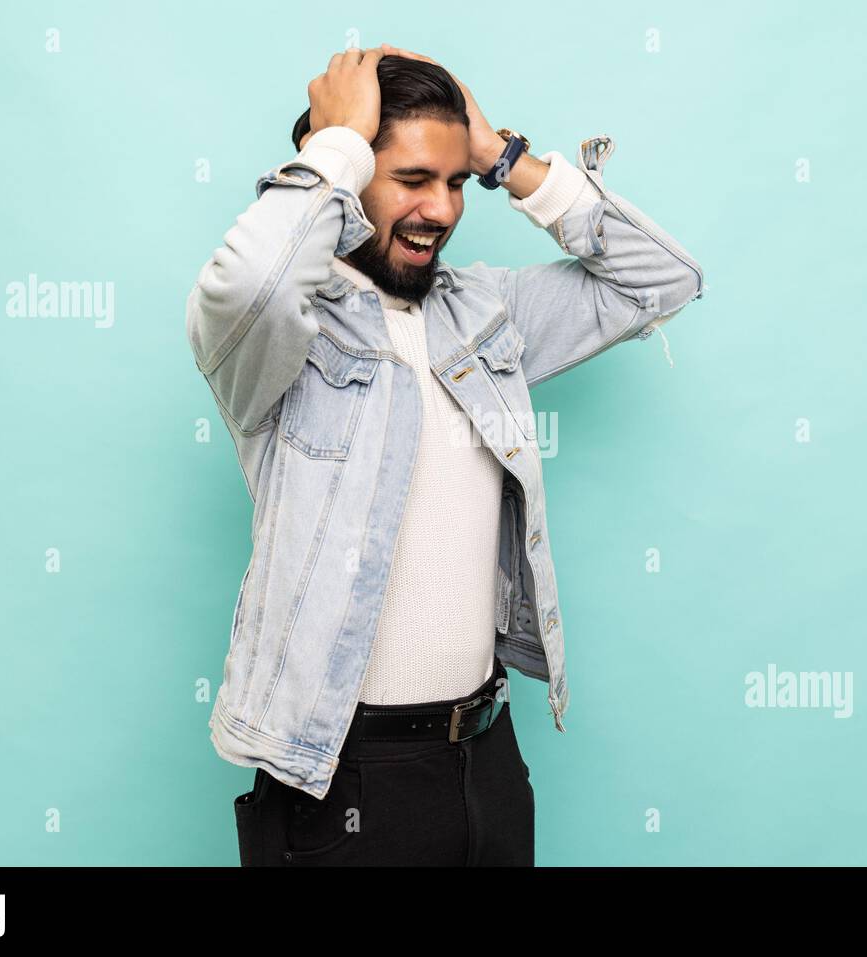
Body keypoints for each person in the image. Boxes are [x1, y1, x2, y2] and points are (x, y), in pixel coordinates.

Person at [185, 43, 705, 866]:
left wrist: (504, 155)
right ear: (349, 178)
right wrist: (337, 143)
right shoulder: (280, 334)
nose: (442, 208)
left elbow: (660, 280)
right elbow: (249, 283)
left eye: (454, 180)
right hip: (341, 779)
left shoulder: (484, 310)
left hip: (486, 762)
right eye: (411, 179)